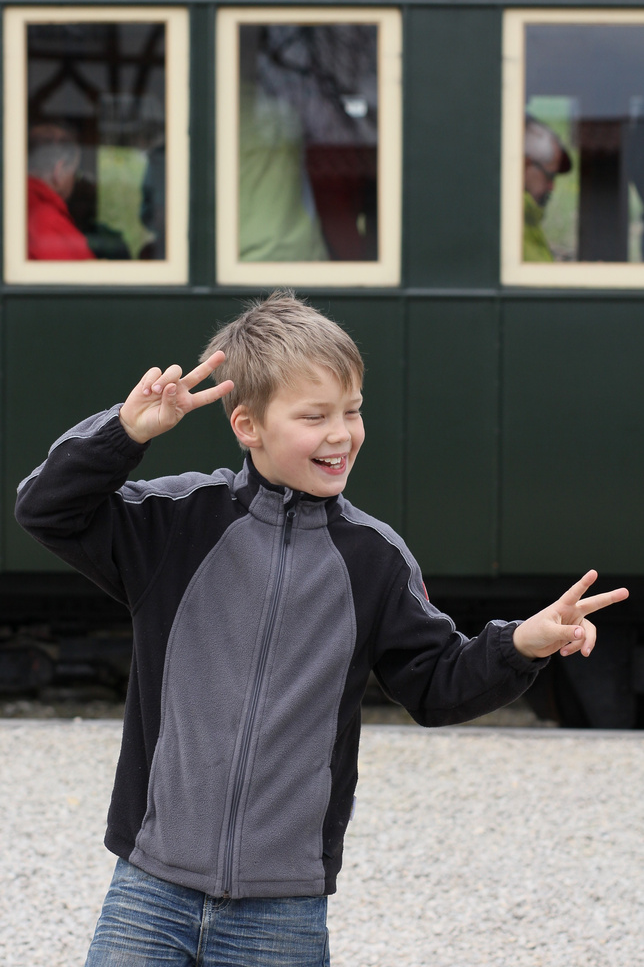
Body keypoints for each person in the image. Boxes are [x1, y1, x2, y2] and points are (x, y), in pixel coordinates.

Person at [14, 291, 628, 967]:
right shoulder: (177, 522)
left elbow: (436, 685)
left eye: (353, 411)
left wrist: (519, 644)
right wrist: (124, 432)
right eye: (315, 417)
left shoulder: (375, 558)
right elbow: (47, 509)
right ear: (248, 425)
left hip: (282, 912)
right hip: (150, 888)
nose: (342, 434)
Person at [27, 124, 97, 261]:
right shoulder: (53, 230)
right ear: (58, 171)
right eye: (74, 173)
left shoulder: (13, 210)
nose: (74, 182)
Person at [523, 115, 572, 262]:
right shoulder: (509, 226)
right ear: (524, 165)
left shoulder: (529, 220)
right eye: (549, 176)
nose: (552, 186)